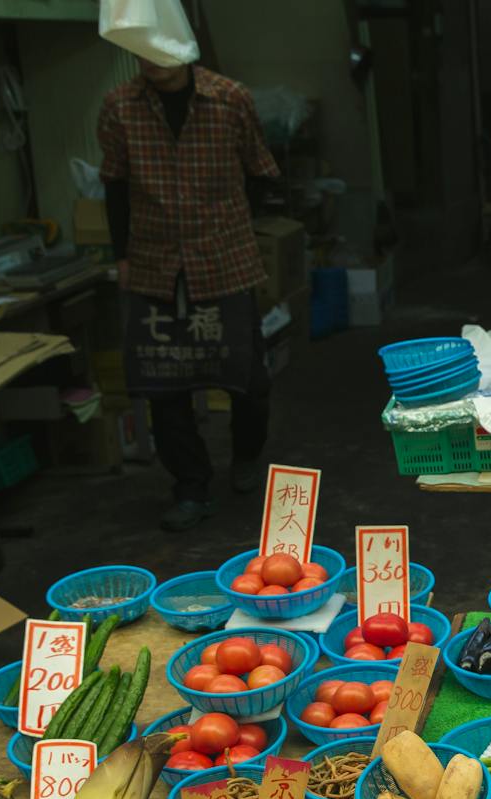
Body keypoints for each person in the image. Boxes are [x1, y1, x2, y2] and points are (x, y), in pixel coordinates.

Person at [98, 56, 280, 532]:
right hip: (155, 264)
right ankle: (191, 486)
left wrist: (233, 226)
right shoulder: (120, 106)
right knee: (165, 383)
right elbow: (114, 186)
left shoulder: (229, 98)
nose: (152, 60)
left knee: (249, 378)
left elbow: (261, 171)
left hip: (224, 259)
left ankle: (245, 454)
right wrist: (122, 256)